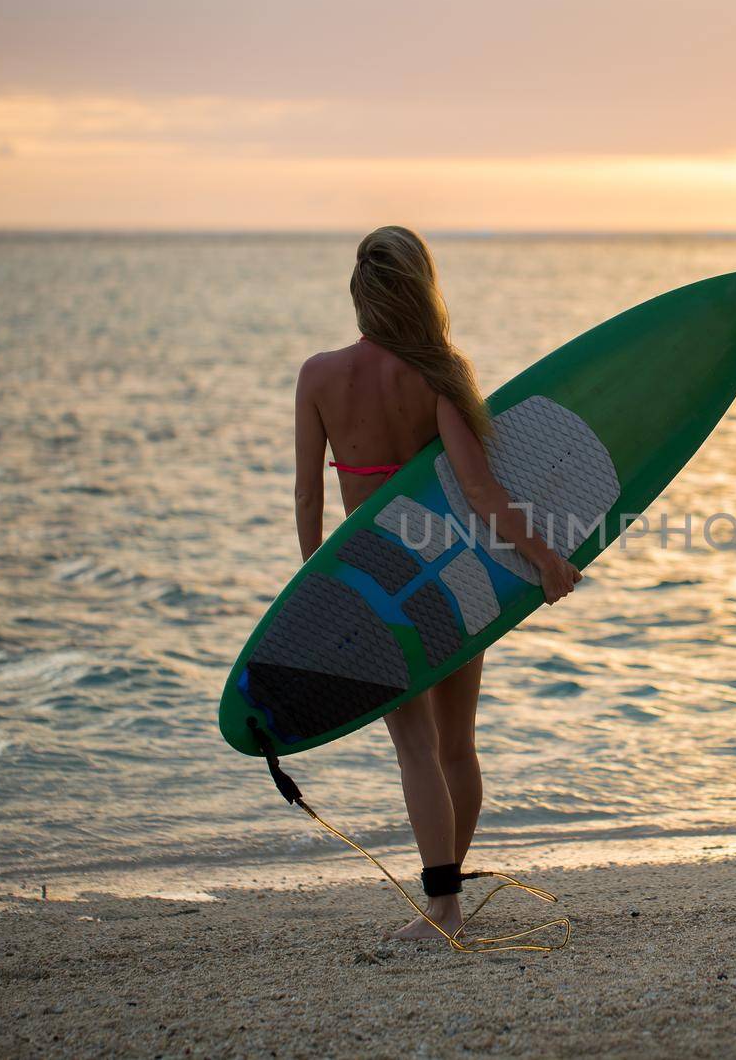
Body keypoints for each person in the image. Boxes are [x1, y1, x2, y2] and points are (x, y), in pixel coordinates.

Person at [292, 226, 580, 939]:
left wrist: (317, 595)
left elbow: (307, 499)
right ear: (421, 291)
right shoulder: (439, 374)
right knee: (457, 746)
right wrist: (543, 557)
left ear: (360, 295)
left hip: (372, 586)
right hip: (451, 577)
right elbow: (482, 493)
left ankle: (443, 907)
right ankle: (445, 896)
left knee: (414, 748)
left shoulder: (318, 377)